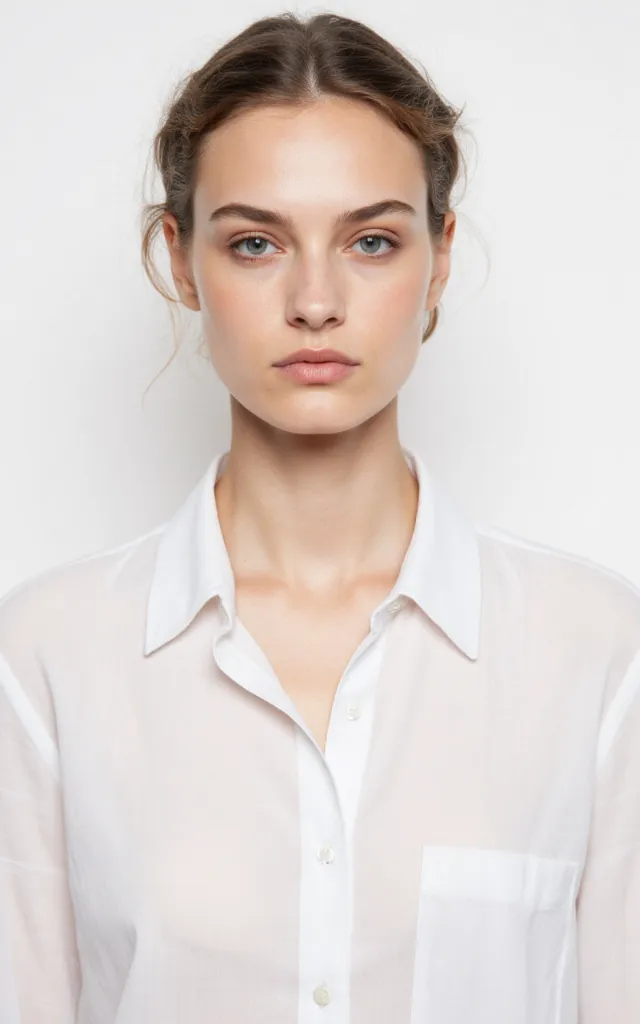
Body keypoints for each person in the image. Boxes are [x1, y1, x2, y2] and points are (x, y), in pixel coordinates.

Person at [0, 10, 638, 1024]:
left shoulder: (599, 653)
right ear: (178, 256)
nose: (313, 299)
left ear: (437, 258)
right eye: (255, 242)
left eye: (372, 241)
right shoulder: (44, 659)